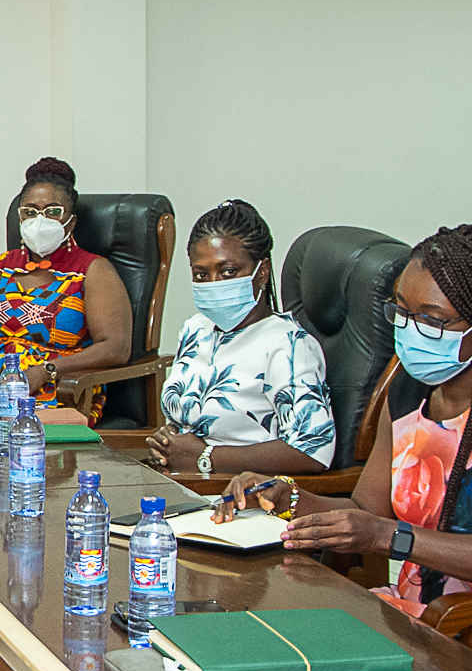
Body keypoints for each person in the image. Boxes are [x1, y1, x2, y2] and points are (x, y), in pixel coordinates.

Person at [219, 223, 472, 670]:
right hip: (406, 617)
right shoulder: (411, 388)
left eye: (431, 318)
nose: (409, 329)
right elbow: (368, 510)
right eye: (401, 311)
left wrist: (392, 538)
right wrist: (287, 497)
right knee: (249, 645)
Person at [142, 199, 338, 479]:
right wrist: (169, 439)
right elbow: (189, 421)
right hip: (182, 483)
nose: (214, 283)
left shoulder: (288, 345)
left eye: (228, 271)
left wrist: (206, 458)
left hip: (244, 495)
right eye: (201, 274)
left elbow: (312, 451)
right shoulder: (196, 329)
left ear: (263, 271)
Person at [0, 157, 133, 411]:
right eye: (30, 211)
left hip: (56, 389)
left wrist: (47, 370)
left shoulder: (92, 270)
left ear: (72, 221)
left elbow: (115, 348)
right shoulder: (1, 266)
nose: (40, 220)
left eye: (53, 212)